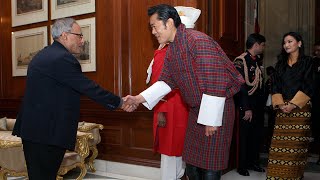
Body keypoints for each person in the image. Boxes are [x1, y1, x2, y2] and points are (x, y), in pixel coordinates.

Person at [124, 4, 244, 179]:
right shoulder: (172, 48)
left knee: (209, 166)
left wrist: (211, 120)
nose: (153, 32)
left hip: (217, 112)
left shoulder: (198, 41)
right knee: (192, 165)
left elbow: (215, 79)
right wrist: (137, 99)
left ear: (169, 22)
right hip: (196, 112)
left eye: (154, 26)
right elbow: (165, 82)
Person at [12, 18, 133, 180]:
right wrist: (120, 102)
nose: (82, 41)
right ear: (65, 35)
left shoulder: (44, 54)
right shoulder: (61, 58)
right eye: (79, 36)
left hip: (34, 131)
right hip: (47, 134)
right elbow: (88, 87)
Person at [145, 6, 200, 180]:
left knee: (182, 152)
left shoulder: (181, 50)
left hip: (185, 109)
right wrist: (160, 110)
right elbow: (159, 83)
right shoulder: (164, 53)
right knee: (170, 153)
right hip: (170, 109)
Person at [266, 32, 313, 179]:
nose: (286, 45)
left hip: (301, 109)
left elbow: (309, 85)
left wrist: (293, 104)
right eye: (284, 42)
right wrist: (280, 105)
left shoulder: (308, 62)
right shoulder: (280, 65)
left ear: (299, 43)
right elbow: (275, 86)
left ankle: (294, 177)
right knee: (278, 148)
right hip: (282, 110)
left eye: (290, 41)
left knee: (296, 148)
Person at [233, 33, 266, 176]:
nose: (264, 48)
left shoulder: (257, 61)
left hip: (257, 106)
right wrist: (246, 108)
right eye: (263, 45)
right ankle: (242, 165)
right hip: (246, 105)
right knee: (244, 137)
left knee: (256, 135)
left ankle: (253, 162)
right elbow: (241, 87)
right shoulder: (241, 61)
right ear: (256, 44)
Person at [311, 41, 320, 165]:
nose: (317, 52)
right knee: (317, 128)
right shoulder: (313, 63)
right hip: (316, 100)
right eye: (315, 50)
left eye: (319, 50)